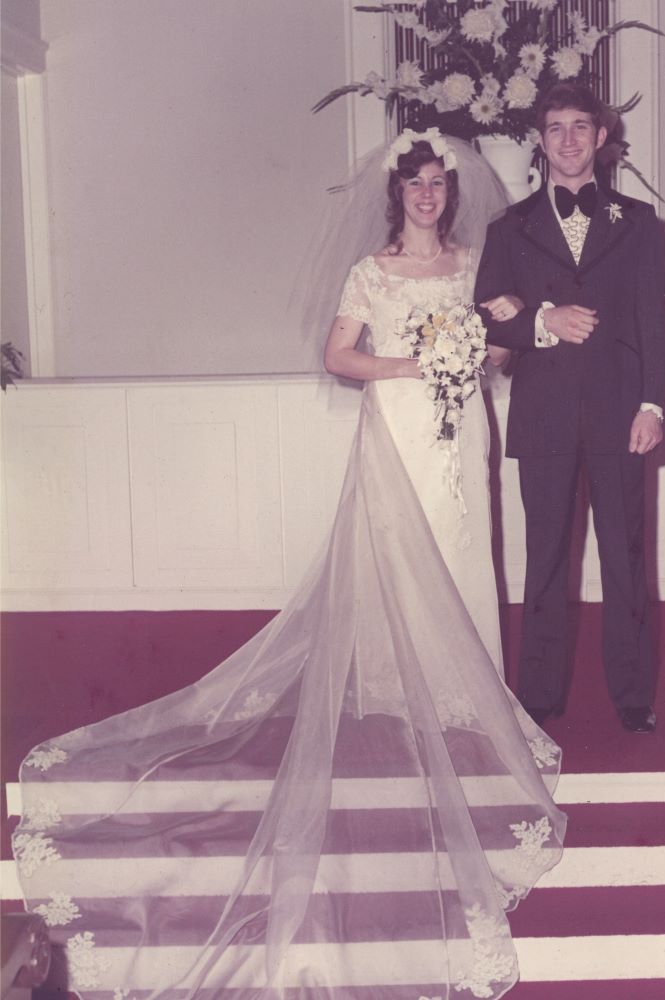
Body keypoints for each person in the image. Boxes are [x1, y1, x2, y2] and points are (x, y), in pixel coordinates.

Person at [13, 130, 566, 1000]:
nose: (427, 195)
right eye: (415, 185)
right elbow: (337, 356)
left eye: (436, 185)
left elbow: (501, 346)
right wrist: (413, 364)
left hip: (458, 431)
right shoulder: (371, 272)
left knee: (462, 547)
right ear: (398, 195)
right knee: (397, 548)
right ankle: (393, 679)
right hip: (396, 425)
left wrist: (471, 361)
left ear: (451, 196)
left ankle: (469, 682)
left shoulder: (473, 259)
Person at [475, 83, 665, 735]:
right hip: (546, 418)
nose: (567, 139)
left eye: (580, 127)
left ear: (601, 138)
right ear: (539, 139)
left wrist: (652, 405)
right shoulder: (510, 229)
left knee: (626, 558)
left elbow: (658, 322)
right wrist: (543, 320)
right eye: (555, 128)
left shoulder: (642, 225)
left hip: (622, 417)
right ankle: (538, 695)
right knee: (546, 561)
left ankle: (634, 695)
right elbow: (486, 316)